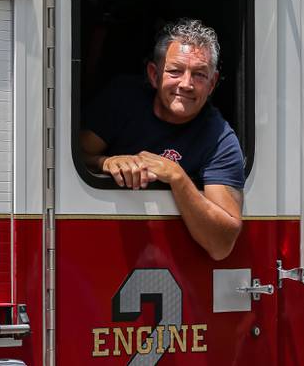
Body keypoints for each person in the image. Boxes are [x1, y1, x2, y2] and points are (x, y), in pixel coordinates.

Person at [80, 18, 244, 260]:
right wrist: (107, 162)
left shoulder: (220, 140)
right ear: (154, 75)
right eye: (175, 71)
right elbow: (71, 156)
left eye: (199, 75)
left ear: (212, 84)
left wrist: (177, 177)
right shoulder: (122, 99)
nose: (186, 84)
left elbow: (222, 245)